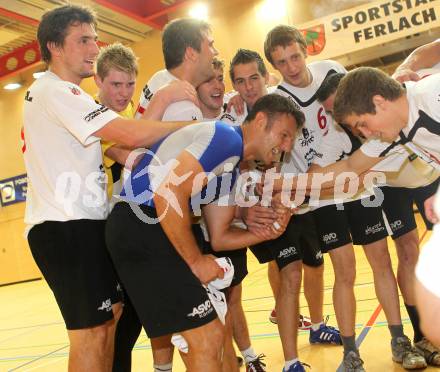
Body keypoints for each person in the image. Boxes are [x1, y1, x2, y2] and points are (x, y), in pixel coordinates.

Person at [23, 5, 196, 371]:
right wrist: (192, 127)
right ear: (54, 46)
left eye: (94, 38)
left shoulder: (72, 95)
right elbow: (130, 135)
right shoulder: (54, 92)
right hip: (65, 228)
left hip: (87, 226)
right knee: (90, 334)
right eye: (83, 40)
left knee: (106, 327)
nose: (93, 47)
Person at [105, 94, 303, 372]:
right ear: (260, 121)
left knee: (213, 335)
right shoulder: (226, 138)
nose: (286, 146)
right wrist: (196, 262)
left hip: (151, 227)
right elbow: (167, 193)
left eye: (291, 140)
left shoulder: (231, 166)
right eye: (284, 135)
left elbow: (220, 237)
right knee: (206, 338)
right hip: (142, 225)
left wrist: (269, 233)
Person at [314, 72, 427, 370]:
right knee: (374, 262)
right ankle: (395, 340)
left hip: (403, 176)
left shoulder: (396, 109)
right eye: (330, 111)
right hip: (368, 186)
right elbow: (334, 169)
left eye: (339, 108)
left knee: (409, 251)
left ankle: (421, 335)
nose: (343, 122)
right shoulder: (344, 136)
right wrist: (287, 189)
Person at [254, 24, 346, 372]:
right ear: (274, 67)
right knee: (289, 272)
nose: (291, 67)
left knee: (317, 265)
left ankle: (319, 325)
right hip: (292, 194)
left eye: (294, 56)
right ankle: (290, 359)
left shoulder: (332, 72)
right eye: (281, 62)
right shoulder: (276, 99)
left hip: (328, 189)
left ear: (305, 51)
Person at [196, 58, 267, 372]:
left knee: (233, 295)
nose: (216, 86)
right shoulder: (189, 118)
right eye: (207, 80)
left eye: (218, 80)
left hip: (229, 219)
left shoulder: (231, 113)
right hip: (197, 227)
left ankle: (248, 357)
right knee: (210, 307)